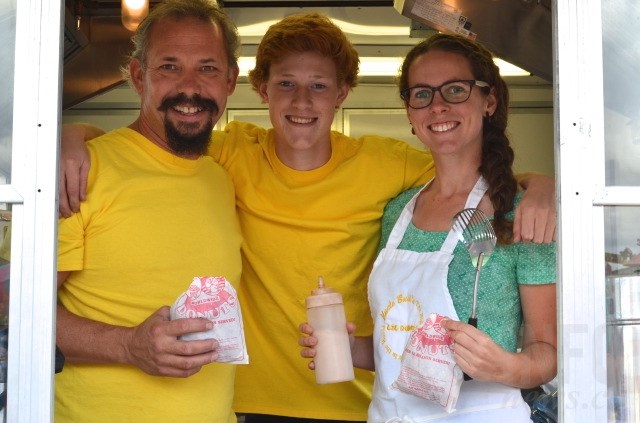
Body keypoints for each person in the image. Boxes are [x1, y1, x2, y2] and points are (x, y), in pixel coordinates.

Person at [59, 14, 556, 423]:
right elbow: (148, 144)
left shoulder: (389, 166)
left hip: (360, 402)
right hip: (248, 403)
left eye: (319, 86)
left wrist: (544, 187)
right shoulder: (229, 155)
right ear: (258, 89)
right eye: (286, 85)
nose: (302, 102)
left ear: (343, 93)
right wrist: (68, 137)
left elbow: (473, 168)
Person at [299, 33, 557, 422]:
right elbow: (401, 347)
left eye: (455, 90)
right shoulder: (398, 211)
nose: (437, 106)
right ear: (409, 112)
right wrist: (349, 348)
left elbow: (547, 352)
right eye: (421, 94)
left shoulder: (522, 213)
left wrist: (506, 366)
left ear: (489, 101)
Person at [55, 1, 243, 422]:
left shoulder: (223, 178)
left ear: (230, 80)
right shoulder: (81, 171)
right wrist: (126, 345)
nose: (190, 88)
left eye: (208, 68)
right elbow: (12, 302)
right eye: (169, 67)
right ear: (139, 76)